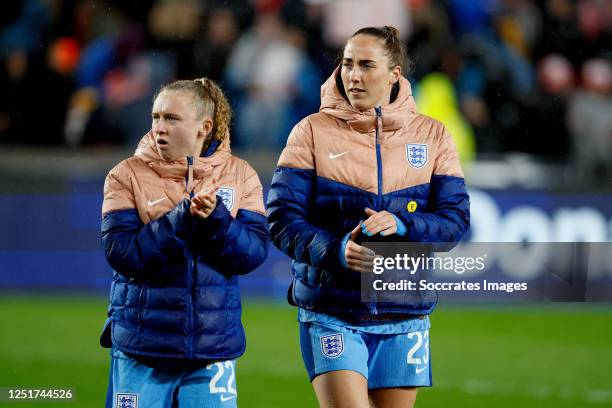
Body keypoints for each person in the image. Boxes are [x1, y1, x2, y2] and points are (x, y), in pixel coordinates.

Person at [267, 26, 470, 407]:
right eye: (347, 64)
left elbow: (455, 221)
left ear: (394, 73)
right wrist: (336, 250)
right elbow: (281, 220)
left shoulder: (433, 135)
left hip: (404, 310)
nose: (354, 75)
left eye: (366, 65)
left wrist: (405, 225)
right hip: (331, 308)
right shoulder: (310, 132)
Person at [99, 77, 269, 408]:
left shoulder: (241, 175)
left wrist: (217, 220)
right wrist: (179, 220)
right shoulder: (125, 175)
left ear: (204, 127)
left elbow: (252, 254)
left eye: (172, 119)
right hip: (141, 348)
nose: (159, 127)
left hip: (211, 349)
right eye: (156, 117)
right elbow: (122, 254)